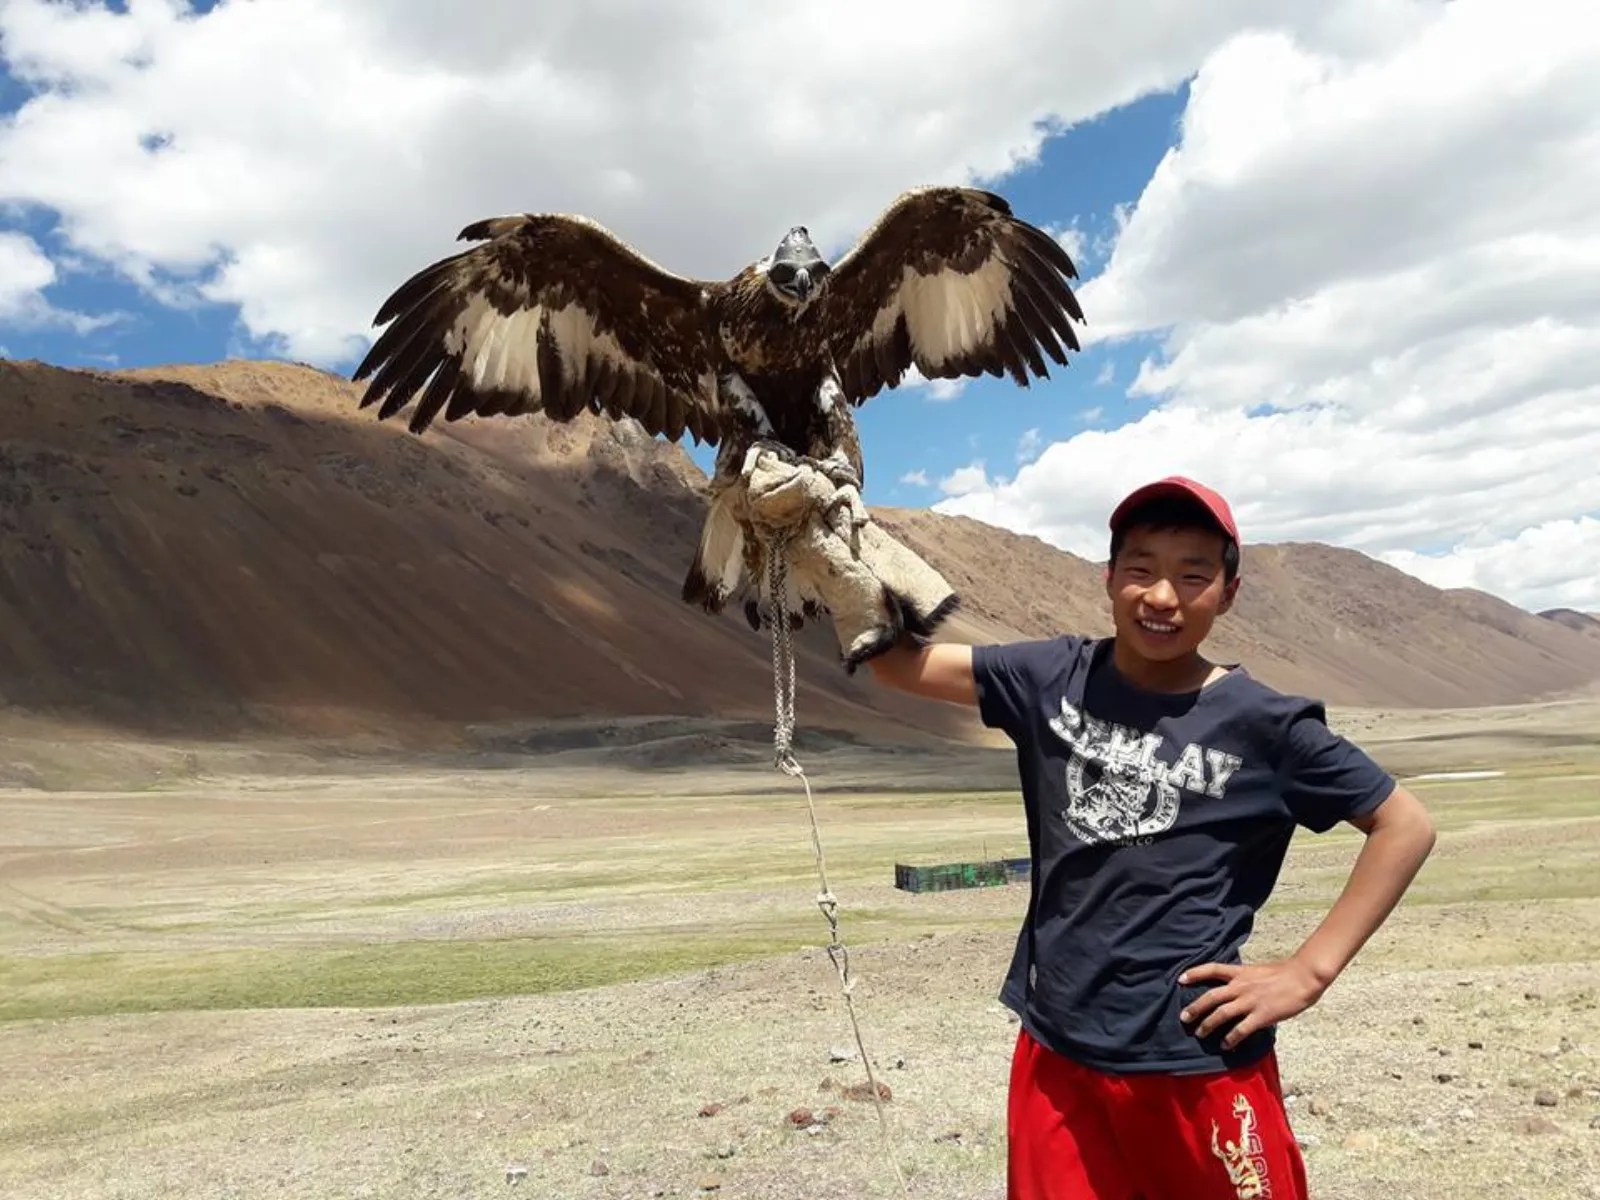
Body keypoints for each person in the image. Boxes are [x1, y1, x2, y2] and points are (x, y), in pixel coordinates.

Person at [864, 475, 1437, 1200]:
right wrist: (832, 547)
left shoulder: (1267, 724)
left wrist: (1308, 972)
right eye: (1140, 569)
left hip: (1197, 1057)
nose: (1161, 596)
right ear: (1108, 578)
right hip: (1058, 1057)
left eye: (1192, 574)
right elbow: (893, 662)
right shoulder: (1049, 677)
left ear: (1228, 592)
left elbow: (1404, 824)